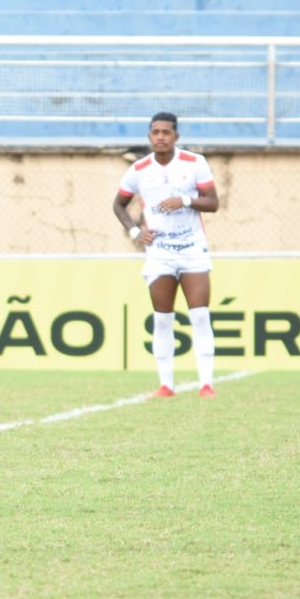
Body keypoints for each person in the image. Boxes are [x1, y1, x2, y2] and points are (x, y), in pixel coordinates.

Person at [112, 111, 220, 398]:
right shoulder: (138, 169)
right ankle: (166, 385)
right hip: (159, 252)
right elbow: (119, 206)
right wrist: (135, 232)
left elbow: (212, 202)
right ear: (149, 136)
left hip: (192, 248)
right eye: (155, 132)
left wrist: (185, 199)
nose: (161, 137)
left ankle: (206, 384)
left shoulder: (195, 163)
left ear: (176, 137)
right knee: (162, 318)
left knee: (199, 315)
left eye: (166, 132)